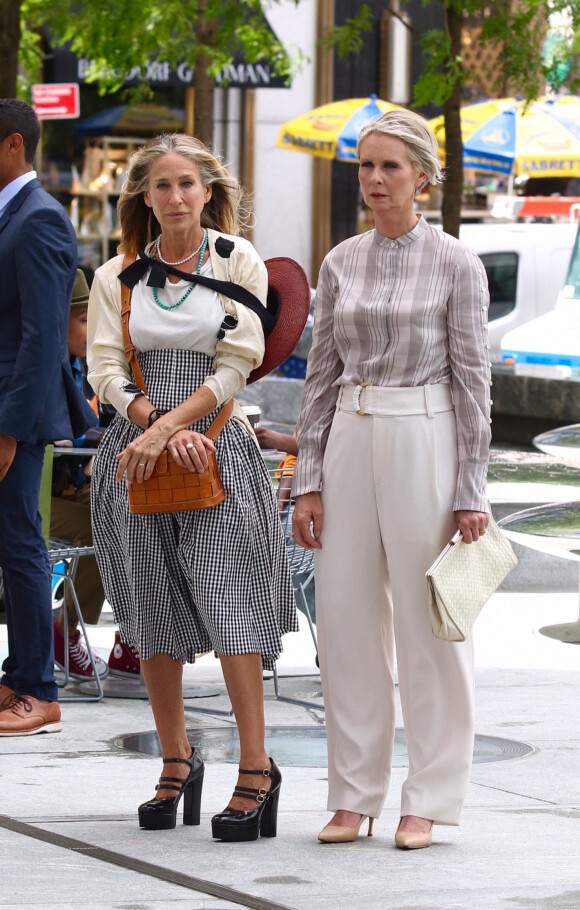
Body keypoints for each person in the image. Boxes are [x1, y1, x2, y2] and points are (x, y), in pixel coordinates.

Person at [86, 133, 297, 838]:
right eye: (162, 185)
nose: (175, 197)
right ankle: (176, 760)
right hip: (136, 449)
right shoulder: (118, 273)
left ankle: (257, 770)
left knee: (228, 598)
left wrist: (177, 429)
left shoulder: (240, 262)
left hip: (214, 440)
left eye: (188, 184)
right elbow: (106, 367)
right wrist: (148, 425)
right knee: (149, 608)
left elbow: (240, 360)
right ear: (144, 196)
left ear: (209, 192)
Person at [292, 109, 491, 849]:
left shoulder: (457, 263)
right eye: (365, 168)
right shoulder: (340, 261)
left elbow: (474, 381)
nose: (374, 181)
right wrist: (308, 479)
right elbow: (320, 377)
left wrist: (471, 486)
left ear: (423, 178)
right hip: (348, 433)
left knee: (432, 624)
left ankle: (429, 798)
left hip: (427, 434)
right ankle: (354, 793)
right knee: (343, 622)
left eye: (390, 168)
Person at [0, 99, 95, 736]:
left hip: (14, 414)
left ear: (12, 145)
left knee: (20, 544)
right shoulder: (14, 216)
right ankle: (17, 679)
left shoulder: (38, 220)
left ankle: (38, 688)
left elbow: (42, 337)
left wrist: (9, 428)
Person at [51, 269, 140, 680]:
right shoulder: (49, 369)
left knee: (137, 512)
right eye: (85, 320)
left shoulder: (78, 365)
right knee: (101, 524)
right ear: (57, 319)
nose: (93, 330)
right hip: (35, 493)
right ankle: (65, 628)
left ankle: (136, 637)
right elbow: (69, 429)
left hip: (66, 487)